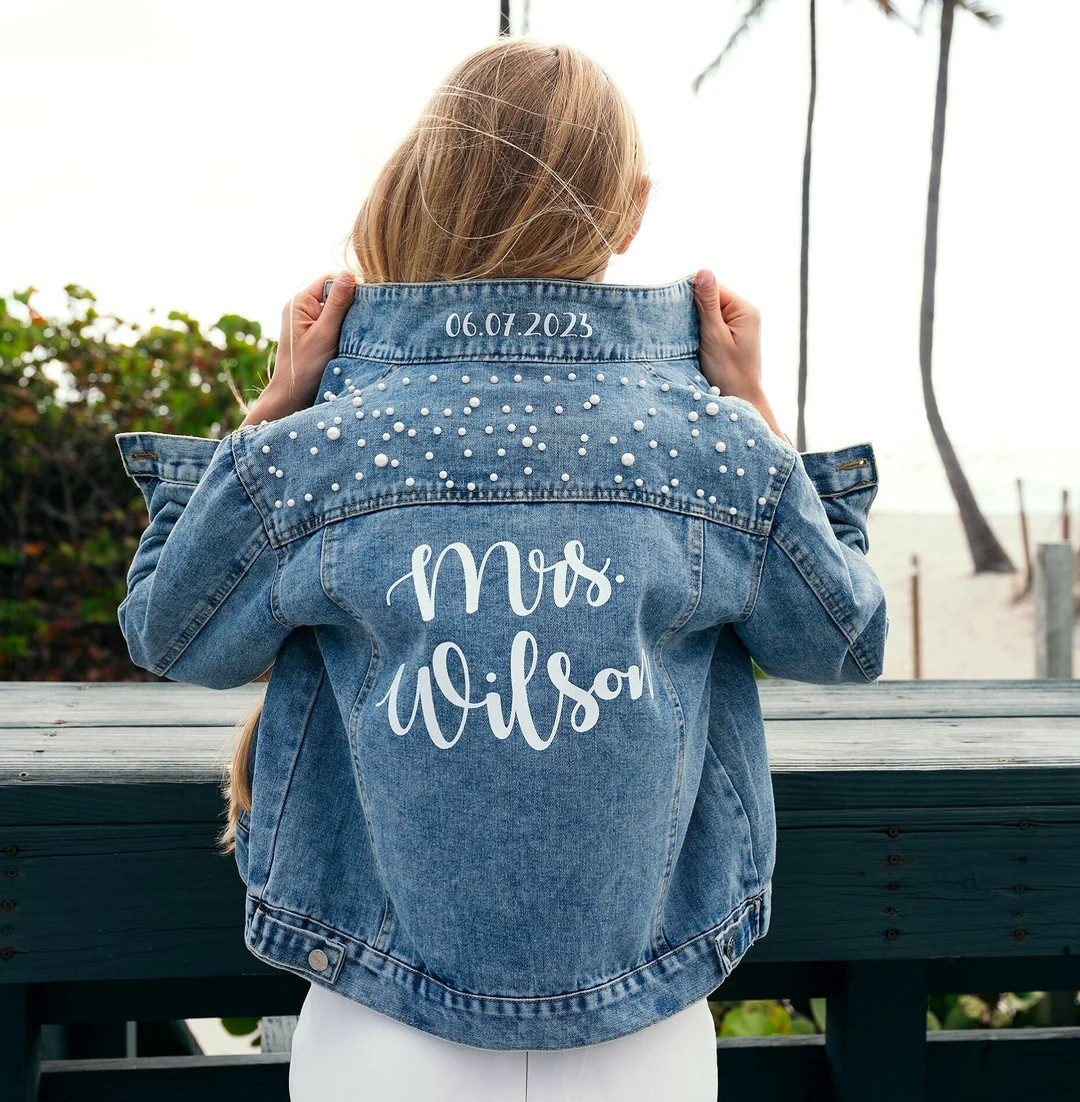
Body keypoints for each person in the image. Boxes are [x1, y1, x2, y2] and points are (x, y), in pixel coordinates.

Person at [114, 36, 888, 1102]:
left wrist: (275, 410)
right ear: (630, 212)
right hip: (645, 1035)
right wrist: (754, 414)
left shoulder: (327, 446)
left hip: (377, 1030)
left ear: (428, 182)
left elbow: (174, 632)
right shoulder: (711, 445)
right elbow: (843, 639)